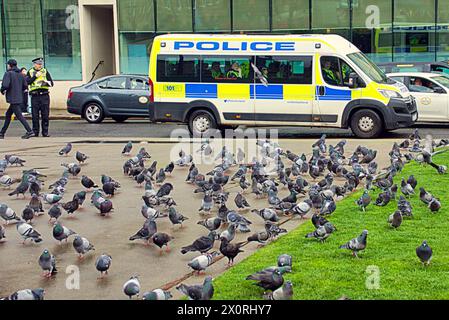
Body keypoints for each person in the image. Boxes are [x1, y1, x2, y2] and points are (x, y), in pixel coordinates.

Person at [0, 59, 34, 139]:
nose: (7, 66)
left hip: (12, 98)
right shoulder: (20, 74)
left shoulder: (8, 73)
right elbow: (25, 86)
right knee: (8, 114)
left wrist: (2, 90)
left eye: (8, 65)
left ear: (10, 65)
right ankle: (2, 133)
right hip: (19, 97)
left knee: (19, 116)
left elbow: (5, 85)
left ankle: (29, 131)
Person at [26, 57, 54, 137]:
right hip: (35, 96)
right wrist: (35, 76)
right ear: (34, 64)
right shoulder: (30, 72)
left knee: (45, 115)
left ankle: (45, 132)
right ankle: (35, 132)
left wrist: (45, 83)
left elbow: (51, 83)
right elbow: (27, 82)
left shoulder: (45, 71)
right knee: (35, 115)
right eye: (38, 64)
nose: (40, 66)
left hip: (44, 95)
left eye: (41, 64)